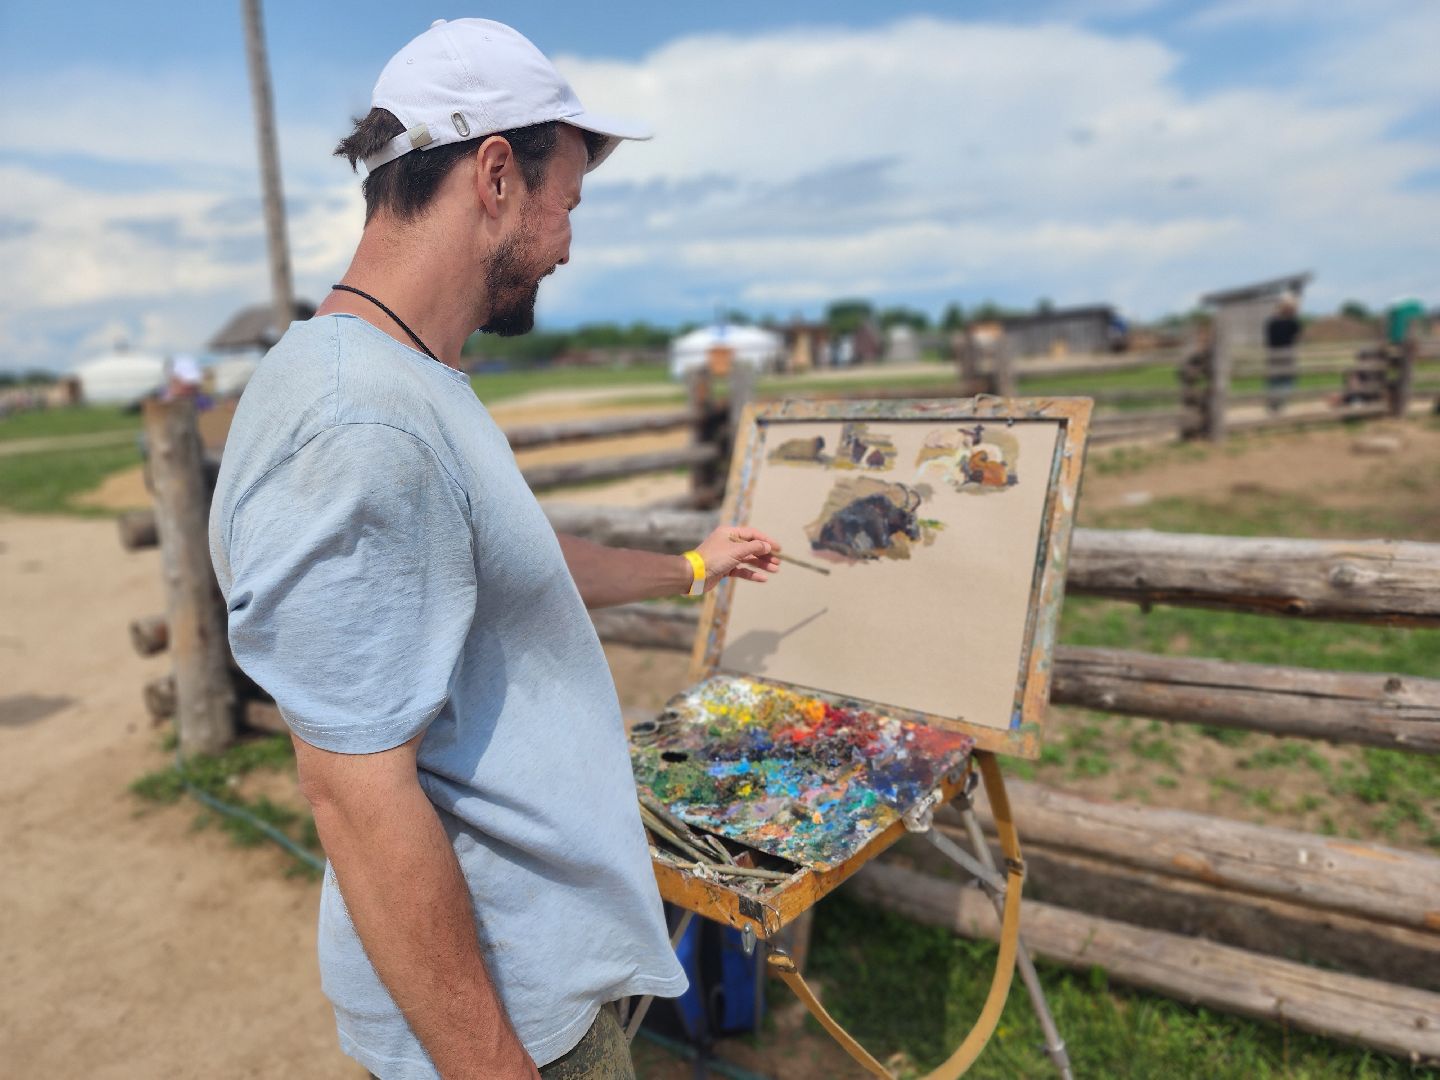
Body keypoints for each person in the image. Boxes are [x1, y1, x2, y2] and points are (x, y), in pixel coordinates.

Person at [208, 19, 782, 1079]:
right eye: (568, 203)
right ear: (497, 176)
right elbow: (355, 791)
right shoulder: (360, 421)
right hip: (505, 1023)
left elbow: (509, 563)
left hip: (539, 989)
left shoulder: (407, 380)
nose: (568, 241)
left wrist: (697, 567)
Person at [1264, 293, 1303, 414]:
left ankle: (1275, 405)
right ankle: (1278, 404)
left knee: (1277, 382)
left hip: (1275, 356)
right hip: (1285, 356)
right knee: (1284, 382)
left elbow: (1268, 341)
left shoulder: (1272, 322)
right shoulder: (1293, 323)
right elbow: (1297, 339)